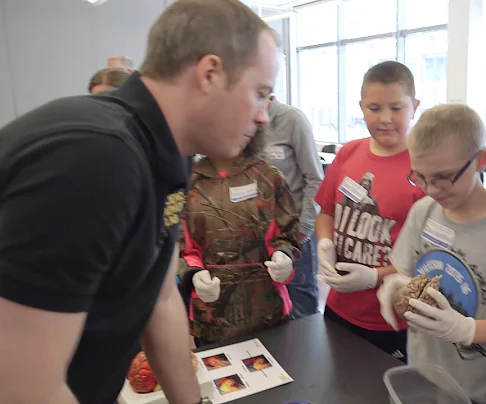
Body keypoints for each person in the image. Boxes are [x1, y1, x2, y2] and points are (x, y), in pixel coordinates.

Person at [0, 0, 278, 403]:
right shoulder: (97, 157)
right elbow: (23, 386)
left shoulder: (170, 152)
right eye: (260, 93)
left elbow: (160, 297)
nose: (264, 116)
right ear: (211, 73)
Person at [376, 104, 486, 404]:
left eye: (443, 176)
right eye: (420, 177)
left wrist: (465, 329)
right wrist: (393, 286)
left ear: (480, 160)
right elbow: (402, 272)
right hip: (423, 376)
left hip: (482, 390)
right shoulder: (423, 211)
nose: (431, 189)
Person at [314, 61, 424, 361]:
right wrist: (324, 242)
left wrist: (375, 277)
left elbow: (428, 256)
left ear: (414, 107)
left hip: (393, 318)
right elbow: (326, 212)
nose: (385, 119)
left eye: (396, 108)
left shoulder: (425, 166)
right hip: (339, 308)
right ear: (361, 107)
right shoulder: (349, 152)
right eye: (374, 108)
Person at [178, 124, 301, 346]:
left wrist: (284, 256)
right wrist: (194, 275)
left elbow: (287, 234)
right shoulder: (188, 184)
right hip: (212, 310)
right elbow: (182, 247)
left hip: (268, 306)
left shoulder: (269, 177)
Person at [264, 95, 324, 319]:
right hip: (259, 238)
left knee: (302, 308)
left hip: (293, 234)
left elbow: (316, 179)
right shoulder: (241, 121)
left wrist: (303, 229)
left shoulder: (291, 120)